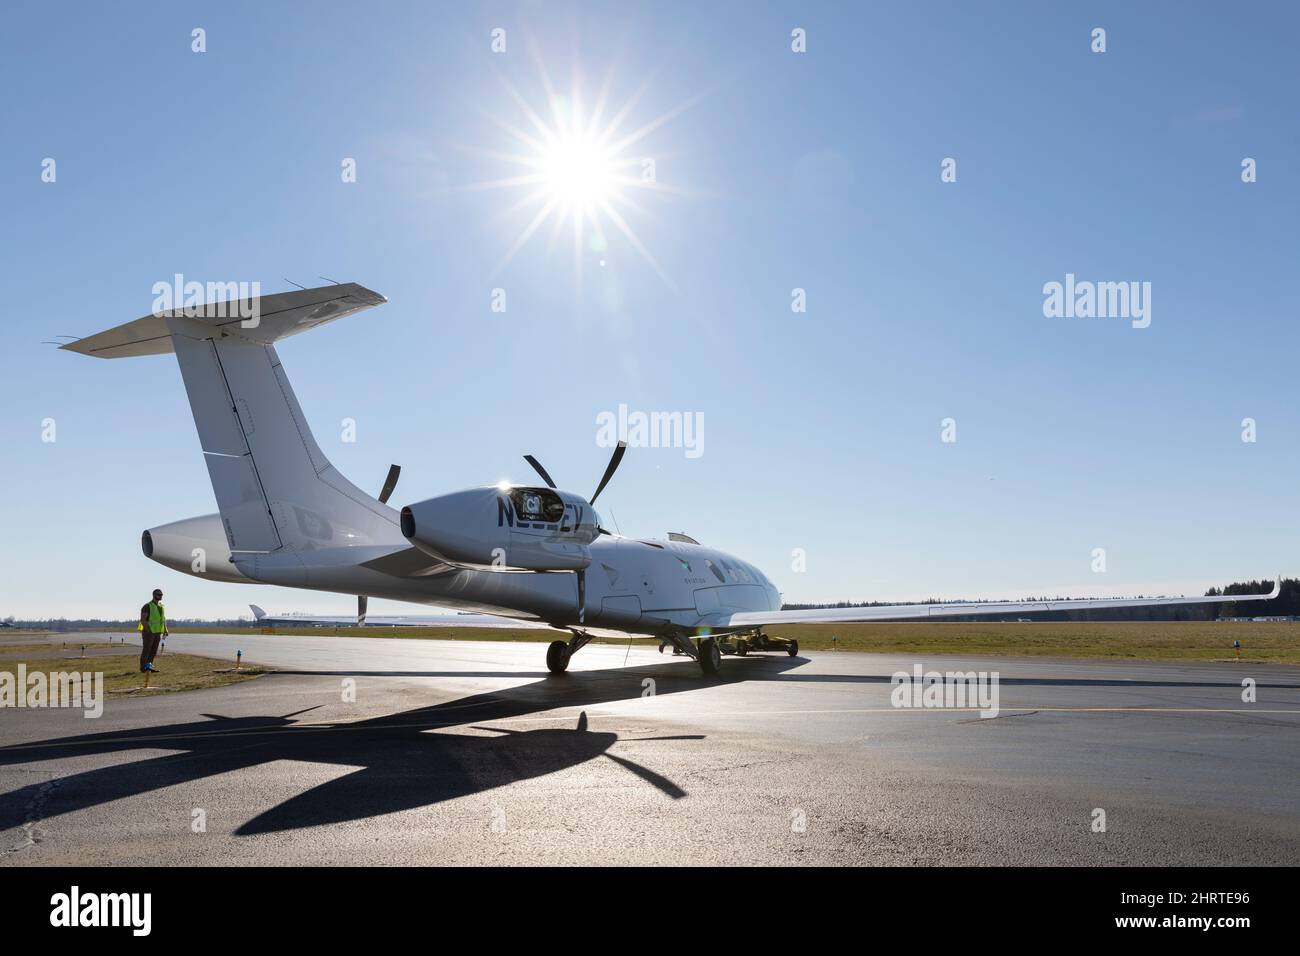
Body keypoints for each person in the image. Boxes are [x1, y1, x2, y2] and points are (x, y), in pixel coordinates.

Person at [138, 588, 168, 673]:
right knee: (147, 650)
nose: (161, 596)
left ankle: (149, 665)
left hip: (157, 632)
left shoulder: (161, 606)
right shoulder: (147, 606)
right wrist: (147, 630)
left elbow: (163, 619)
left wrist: (165, 629)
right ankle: (143, 667)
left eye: (161, 594)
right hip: (149, 632)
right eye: (159, 594)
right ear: (154, 595)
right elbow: (143, 619)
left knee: (154, 650)